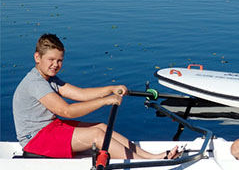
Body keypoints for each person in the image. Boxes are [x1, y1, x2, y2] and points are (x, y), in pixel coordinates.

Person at [12, 33, 179, 159]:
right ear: (37, 58)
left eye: (59, 60)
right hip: (36, 140)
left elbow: (81, 94)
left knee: (101, 127)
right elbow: (67, 111)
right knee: (96, 136)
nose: (55, 65)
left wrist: (111, 89)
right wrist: (105, 101)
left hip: (50, 128)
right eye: (51, 59)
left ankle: (151, 157)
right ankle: (142, 164)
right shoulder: (35, 83)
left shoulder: (49, 78)